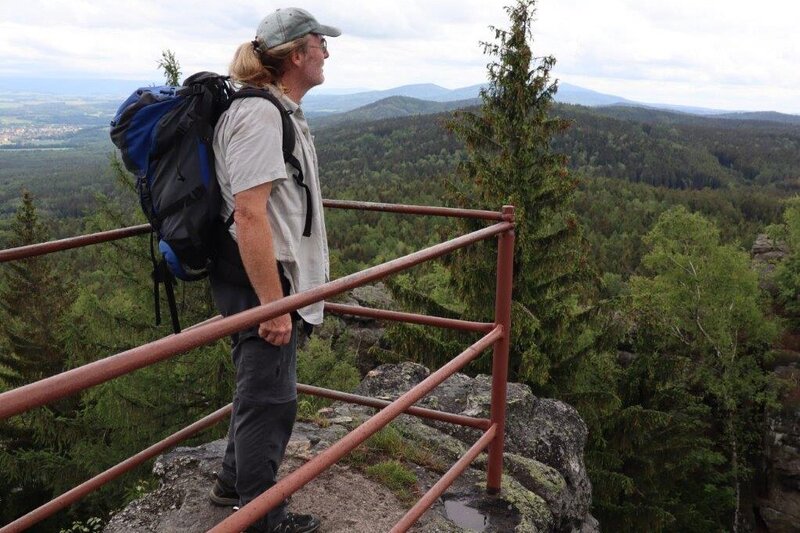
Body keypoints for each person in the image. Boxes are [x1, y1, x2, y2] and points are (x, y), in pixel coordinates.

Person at [207, 7, 339, 533]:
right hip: (263, 281)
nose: (327, 52)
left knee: (258, 387)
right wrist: (273, 305)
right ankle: (260, 520)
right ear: (296, 55)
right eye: (320, 43)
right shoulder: (261, 115)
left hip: (268, 278)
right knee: (271, 400)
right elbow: (249, 212)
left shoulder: (276, 110)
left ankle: (230, 485)